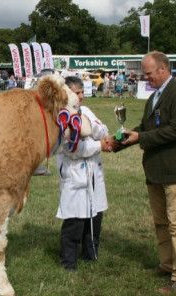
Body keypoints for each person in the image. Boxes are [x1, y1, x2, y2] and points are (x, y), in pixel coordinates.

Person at [121, 51, 176, 294]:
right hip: (155, 171)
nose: (144, 78)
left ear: (163, 70)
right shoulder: (154, 96)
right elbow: (145, 128)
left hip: (175, 171)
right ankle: (167, 265)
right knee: (160, 222)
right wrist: (121, 141)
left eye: (148, 73)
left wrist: (141, 136)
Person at [56, 76, 115, 272]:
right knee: (75, 220)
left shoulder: (86, 111)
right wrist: (99, 144)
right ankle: (69, 262)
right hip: (75, 172)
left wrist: (94, 130)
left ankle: (91, 255)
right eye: (77, 93)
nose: (81, 96)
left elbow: (103, 129)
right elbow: (74, 149)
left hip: (93, 170)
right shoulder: (62, 117)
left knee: (94, 216)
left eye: (82, 92)